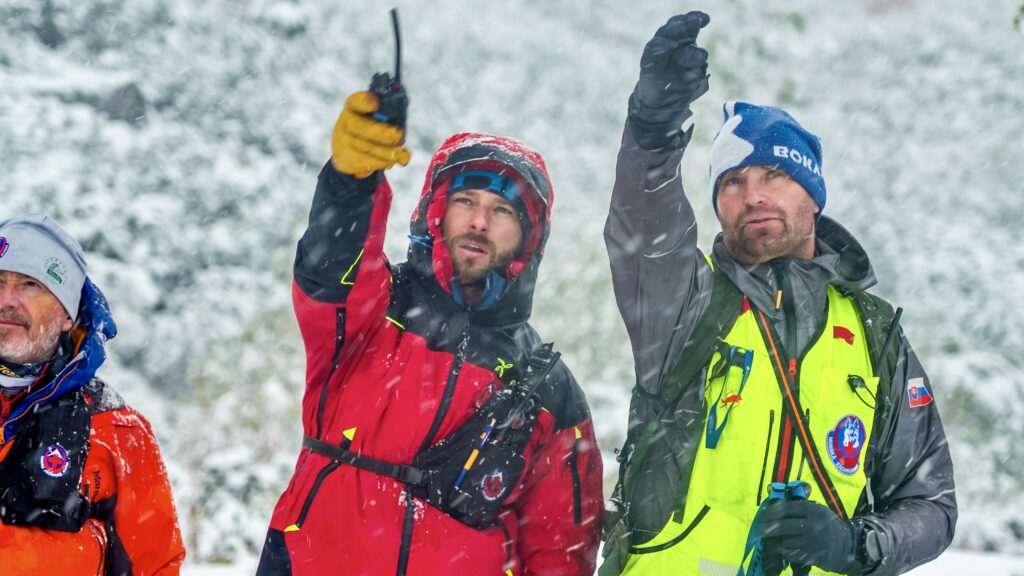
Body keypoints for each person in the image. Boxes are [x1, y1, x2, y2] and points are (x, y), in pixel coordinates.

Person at [601, 12, 956, 576]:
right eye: (733, 183)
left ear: (813, 196)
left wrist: (857, 545)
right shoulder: (686, 303)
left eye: (774, 176)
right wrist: (652, 131)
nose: (754, 196)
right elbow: (642, 225)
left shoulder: (874, 333)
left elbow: (931, 505)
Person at [256, 84, 603, 575]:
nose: (480, 222)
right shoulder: (373, 304)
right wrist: (350, 184)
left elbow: (560, 553)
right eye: (465, 200)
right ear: (436, 211)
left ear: (530, 237)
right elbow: (327, 268)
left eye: (503, 210)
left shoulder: (551, 389)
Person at [0, 214, 185, 575]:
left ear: (67, 314)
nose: (7, 300)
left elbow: (155, 566)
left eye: (30, 285)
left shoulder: (117, 430)